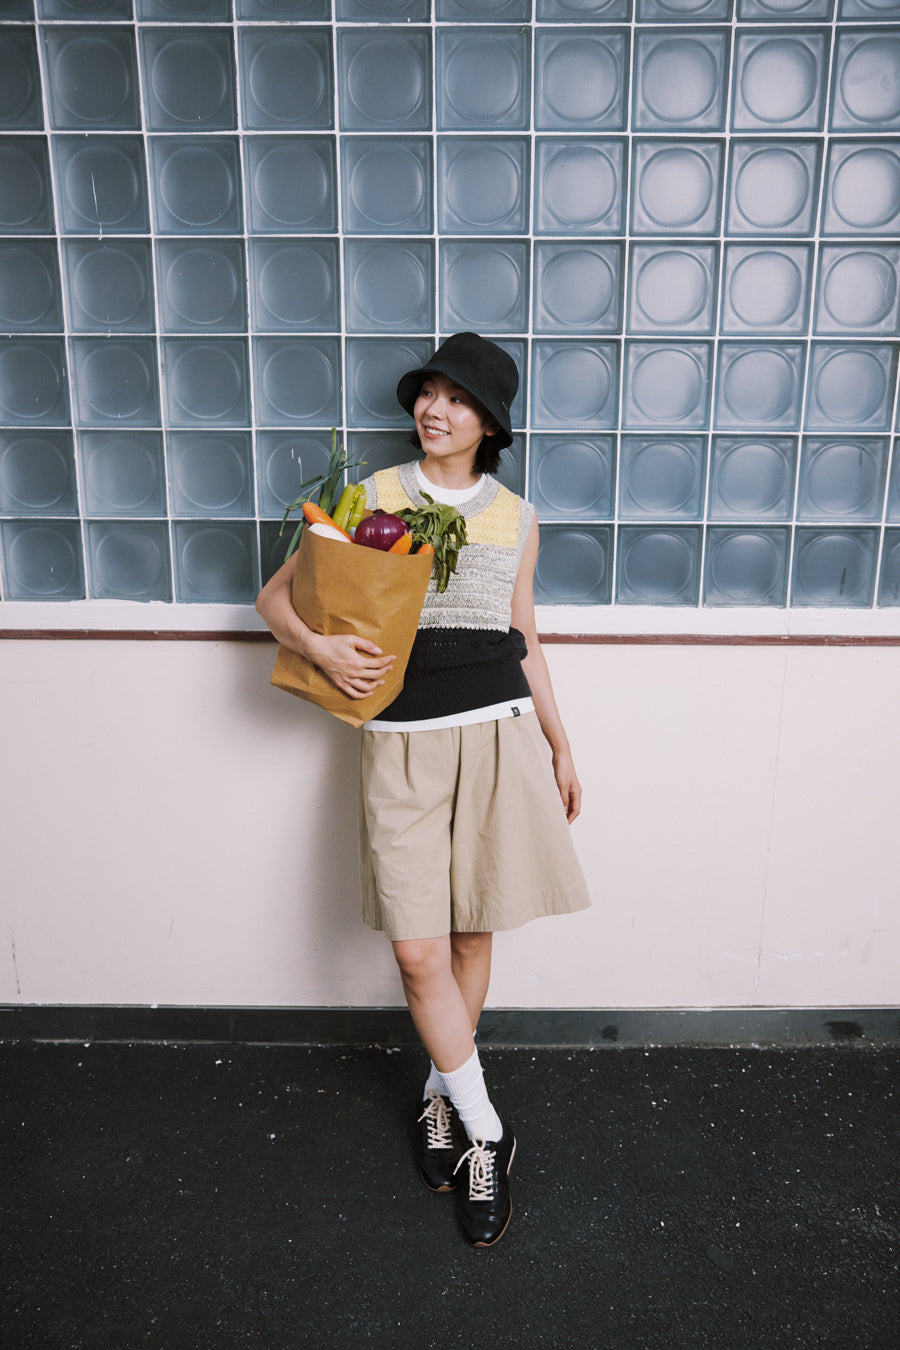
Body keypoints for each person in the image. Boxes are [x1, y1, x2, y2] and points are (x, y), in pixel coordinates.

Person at [256, 332, 590, 1247]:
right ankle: (490, 1130)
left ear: (491, 425)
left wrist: (561, 744)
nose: (435, 410)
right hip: (399, 743)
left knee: (473, 932)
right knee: (418, 952)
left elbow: (524, 637)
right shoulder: (374, 495)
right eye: (429, 392)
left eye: (458, 399)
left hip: (497, 736)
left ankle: (443, 1095)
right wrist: (320, 647)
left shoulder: (516, 517)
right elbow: (275, 598)